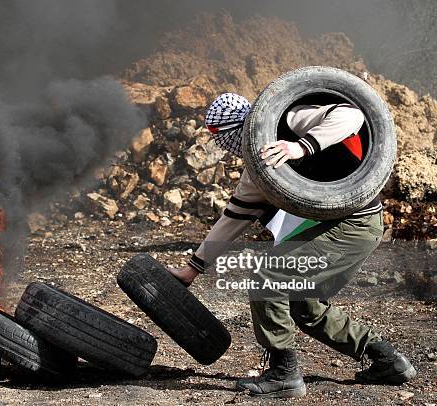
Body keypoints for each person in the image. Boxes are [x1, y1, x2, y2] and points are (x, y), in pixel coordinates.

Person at [168, 93, 416, 398]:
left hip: (354, 223)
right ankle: (387, 360)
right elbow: (232, 219)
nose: (225, 146)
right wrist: (192, 270)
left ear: (241, 127)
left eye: (224, 137)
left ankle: (284, 374)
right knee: (303, 304)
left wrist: (300, 146)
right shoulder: (257, 172)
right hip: (339, 227)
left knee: (267, 278)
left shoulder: (288, 120)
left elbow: (353, 116)